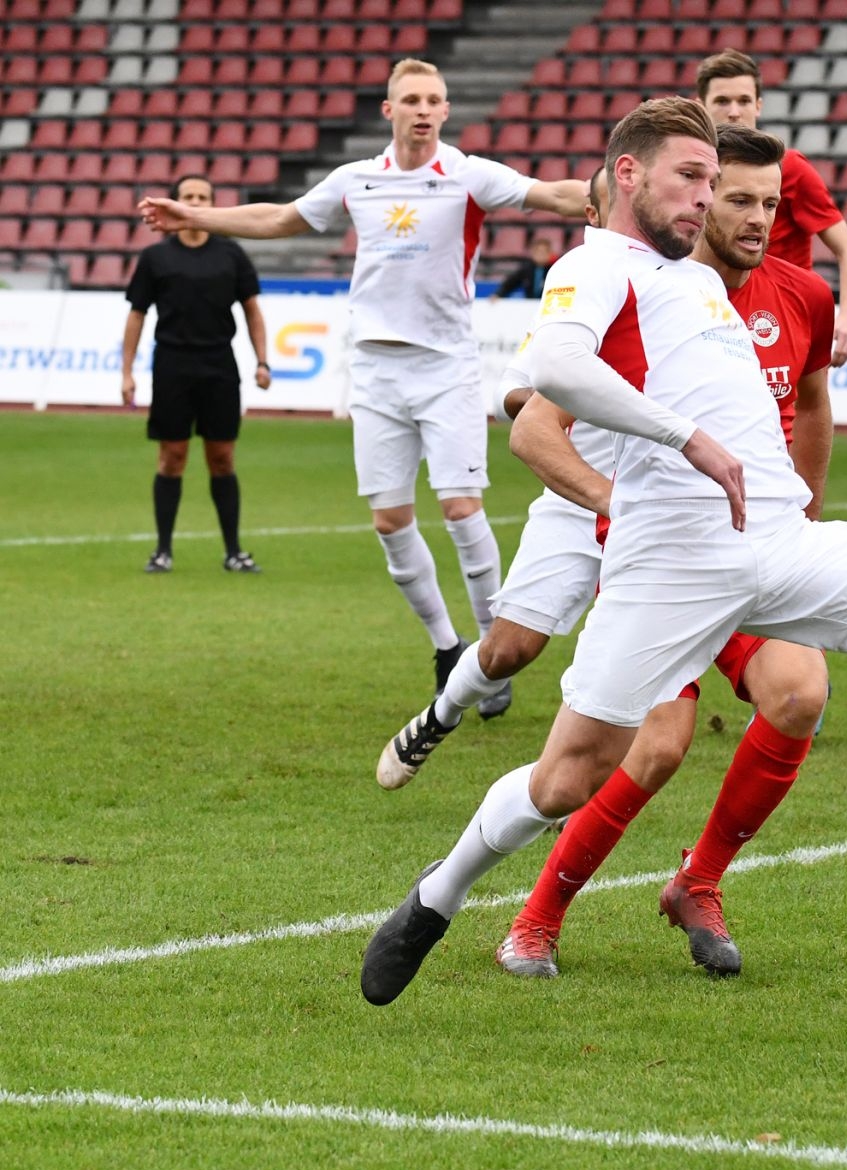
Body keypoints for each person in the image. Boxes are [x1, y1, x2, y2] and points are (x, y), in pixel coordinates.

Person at [359, 99, 847, 1007]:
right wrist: (685, 441)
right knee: (565, 778)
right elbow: (552, 371)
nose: (707, 199)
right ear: (627, 174)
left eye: (716, 183)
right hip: (669, 568)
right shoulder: (595, 264)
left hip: (780, 544)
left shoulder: (705, 286)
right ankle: (435, 901)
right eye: (691, 178)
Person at [379, 133, 836, 978]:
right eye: (728, 196)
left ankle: (698, 881)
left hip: (746, 541)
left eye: (769, 202)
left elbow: (811, 404)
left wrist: (803, 515)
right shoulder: (636, 281)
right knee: (617, 725)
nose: (750, 216)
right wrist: (614, 502)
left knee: (801, 691)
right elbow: (534, 418)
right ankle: (529, 906)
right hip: (638, 542)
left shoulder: (799, 296)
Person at [138, 59, 588, 702]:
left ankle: (493, 656)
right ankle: (445, 646)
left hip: (446, 367)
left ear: (445, 108)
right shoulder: (357, 181)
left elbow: (554, 194)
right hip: (376, 370)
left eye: (435, 98)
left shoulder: (466, 174)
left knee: (462, 509)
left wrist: (616, 191)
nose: (425, 109)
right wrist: (196, 215)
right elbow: (279, 219)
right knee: (389, 521)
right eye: (412, 99)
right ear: (389, 110)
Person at [121, 174, 271, 574]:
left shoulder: (232, 254)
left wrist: (262, 360)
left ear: (210, 204)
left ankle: (234, 551)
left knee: (222, 457)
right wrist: (127, 372)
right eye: (188, 195)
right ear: (175, 202)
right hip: (172, 365)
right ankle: (163, 551)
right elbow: (136, 314)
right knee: (172, 457)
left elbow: (252, 310)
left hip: (219, 365)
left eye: (202, 196)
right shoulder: (156, 258)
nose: (194, 201)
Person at [697, 48, 847, 368]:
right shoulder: (690, 170)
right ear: (700, 106)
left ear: (758, 105)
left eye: (744, 101)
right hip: (711, 312)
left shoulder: (791, 169)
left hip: (780, 319)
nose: (734, 112)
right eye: (722, 101)